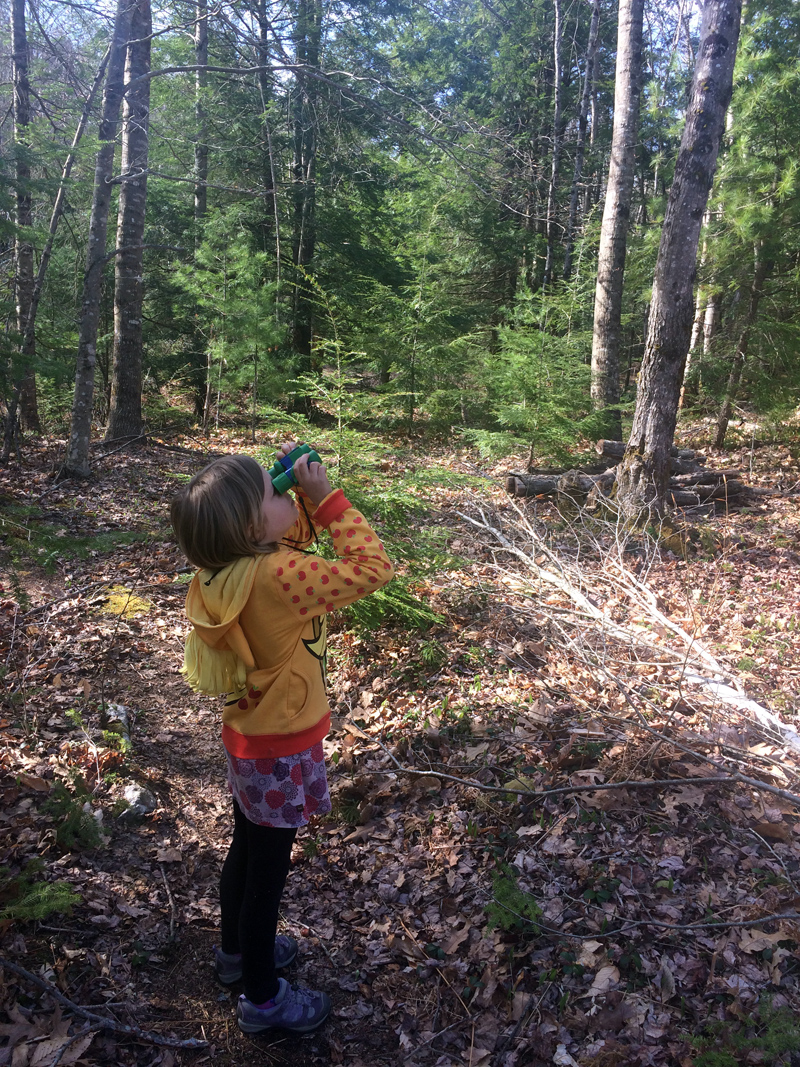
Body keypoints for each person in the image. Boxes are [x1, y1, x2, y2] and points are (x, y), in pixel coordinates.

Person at [170, 443, 394, 1034]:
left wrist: (282, 492)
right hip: (283, 746)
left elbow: (281, 537)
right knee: (267, 879)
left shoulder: (225, 568)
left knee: (245, 851)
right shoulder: (281, 574)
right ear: (249, 525)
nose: (284, 500)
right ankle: (263, 999)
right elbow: (373, 569)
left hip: (249, 740)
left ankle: (233, 956)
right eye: (271, 495)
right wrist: (327, 502)